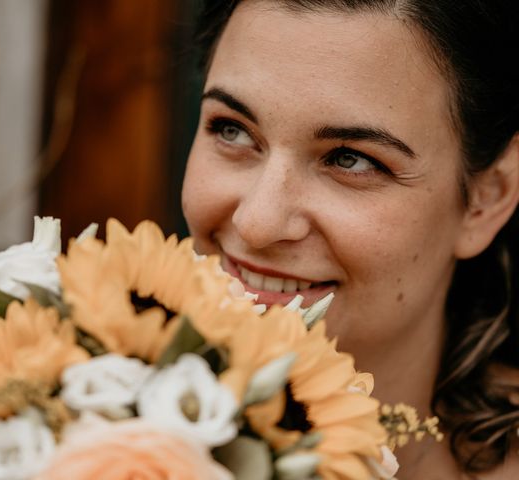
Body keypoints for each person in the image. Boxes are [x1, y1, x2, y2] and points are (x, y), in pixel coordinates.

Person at [180, 1, 519, 478]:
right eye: (232, 130)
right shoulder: (64, 409)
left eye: (350, 160)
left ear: (488, 197)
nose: (257, 223)